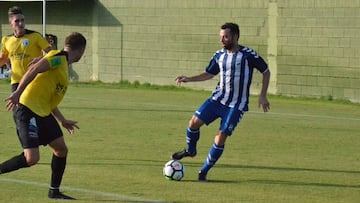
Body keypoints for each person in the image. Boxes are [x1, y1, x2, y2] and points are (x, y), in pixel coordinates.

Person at [171, 22, 271, 182]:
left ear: (235, 37)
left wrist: (263, 95)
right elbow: (208, 74)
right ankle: (190, 151)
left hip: (236, 106)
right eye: (221, 37)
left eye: (225, 37)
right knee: (193, 123)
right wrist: (189, 79)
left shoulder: (248, 55)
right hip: (217, 99)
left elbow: (266, 72)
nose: (222, 40)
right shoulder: (219, 55)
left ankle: (203, 172)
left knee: (220, 137)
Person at [1, 32, 87, 200]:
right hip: (27, 109)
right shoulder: (58, 57)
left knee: (61, 149)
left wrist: (62, 120)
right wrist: (18, 92)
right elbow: (34, 68)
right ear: (82, 50)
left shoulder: (62, 65)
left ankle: (54, 191)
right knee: (32, 158)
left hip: (43, 112)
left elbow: (48, 100)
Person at [0, 6, 52, 92]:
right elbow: (3, 59)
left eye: (22, 20)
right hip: (16, 82)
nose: (20, 23)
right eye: (17, 21)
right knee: (17, 105)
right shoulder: (6, 40)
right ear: (11, 24)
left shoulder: (35, 36)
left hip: (34, 80)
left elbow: (52, 53)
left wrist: (40, 59)